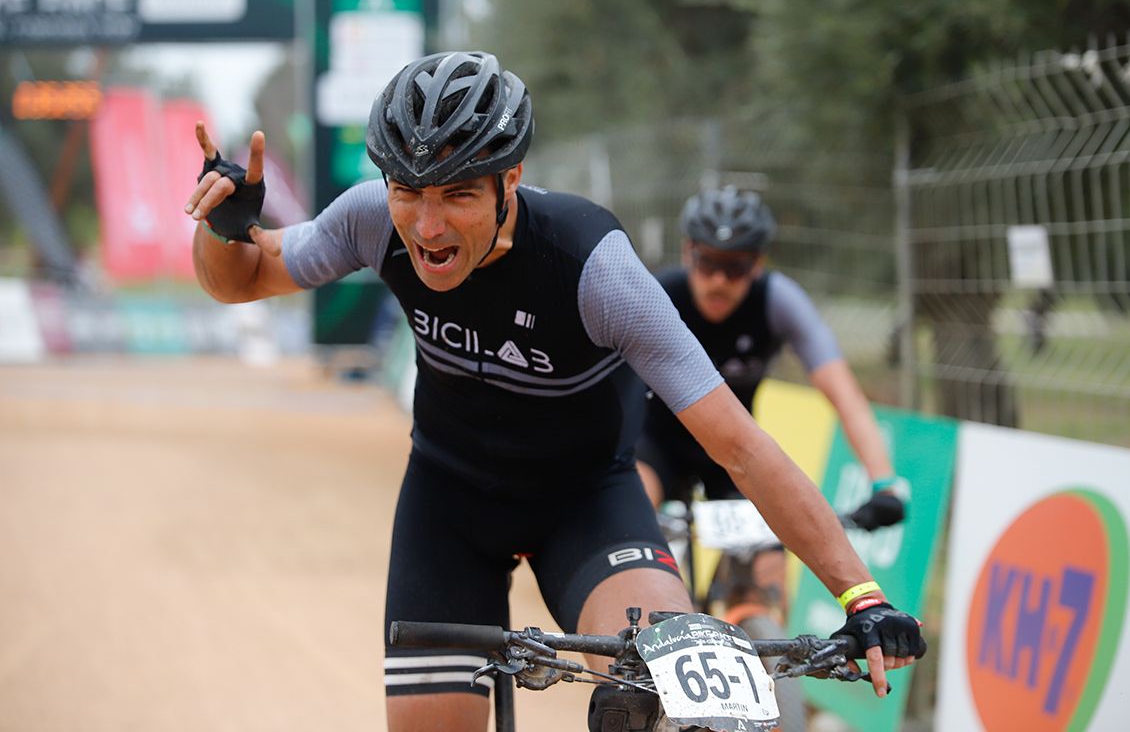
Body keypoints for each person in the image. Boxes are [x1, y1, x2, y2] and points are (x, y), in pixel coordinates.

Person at [183, 50, 924, 731]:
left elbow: (741, 446)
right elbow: (244, 278)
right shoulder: (372, 221)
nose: (428, 226)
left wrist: (862, 596)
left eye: (459, 194)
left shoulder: (595, 268)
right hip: (450, 505)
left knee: (677, 682)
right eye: (408, 191)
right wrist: (223, 229)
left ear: (511, 178)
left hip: (587, 503)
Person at [637, 185, 907, 531]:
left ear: (757, 265)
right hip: (654, 445)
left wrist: (884, 483)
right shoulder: (654, 295)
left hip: (733, 449)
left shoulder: (779, 300)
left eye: (735, 268)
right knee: (636, 524)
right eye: (708, 263)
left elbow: (845, 394)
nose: (719, 281)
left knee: (766, 563)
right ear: (687, 253)